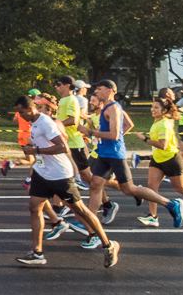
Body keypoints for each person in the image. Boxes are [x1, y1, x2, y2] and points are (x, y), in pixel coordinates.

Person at [12, 96, 119, 268]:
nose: (20, 115)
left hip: (59, 174)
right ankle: (37, 252)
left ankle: (108, 244)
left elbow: (63, 147)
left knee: (80, 210)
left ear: (31, 109)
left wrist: (36, 149)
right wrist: (32, 146)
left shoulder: (45, 122)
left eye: (22, 112)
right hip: (42, 172)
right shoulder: (35, 122)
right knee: (34, 207)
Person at [78, 80, 183, 238]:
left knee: (129, 189)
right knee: (95, 186)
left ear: (109, 91)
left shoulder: (113, 108)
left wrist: (91, 133)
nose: (96, 92)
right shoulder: (107, 108)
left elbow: (114, 135)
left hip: (115, 154)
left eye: (99, 89)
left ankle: (171, 204)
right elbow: (122, 127)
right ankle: (91, 227)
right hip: (104, 154)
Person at [133, 96, 183, 228]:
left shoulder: (164, 124)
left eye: (156, 108)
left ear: (164, 110)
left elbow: (163, 145)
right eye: (152, 107)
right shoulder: (157, 122)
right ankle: (153, 216)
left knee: (180, 188)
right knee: (151, 188)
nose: (152, 109)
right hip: (158, 159)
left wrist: (145, 139)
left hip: (171, 159)